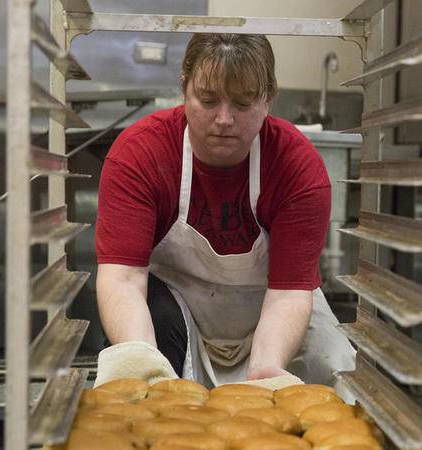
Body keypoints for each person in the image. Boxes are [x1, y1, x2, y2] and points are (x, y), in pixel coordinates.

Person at [93, 33, 355, 387]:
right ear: (184, 89)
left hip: (275, 312)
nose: (224, 119)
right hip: (179, 308)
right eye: (208, 99)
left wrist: (265, 371)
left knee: (333, 373)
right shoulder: (140, 154)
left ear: (268, 99)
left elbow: (288, 293)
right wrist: (144, 363)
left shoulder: (296, 166)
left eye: (243, 103)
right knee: (138, 370)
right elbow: (123, 279)